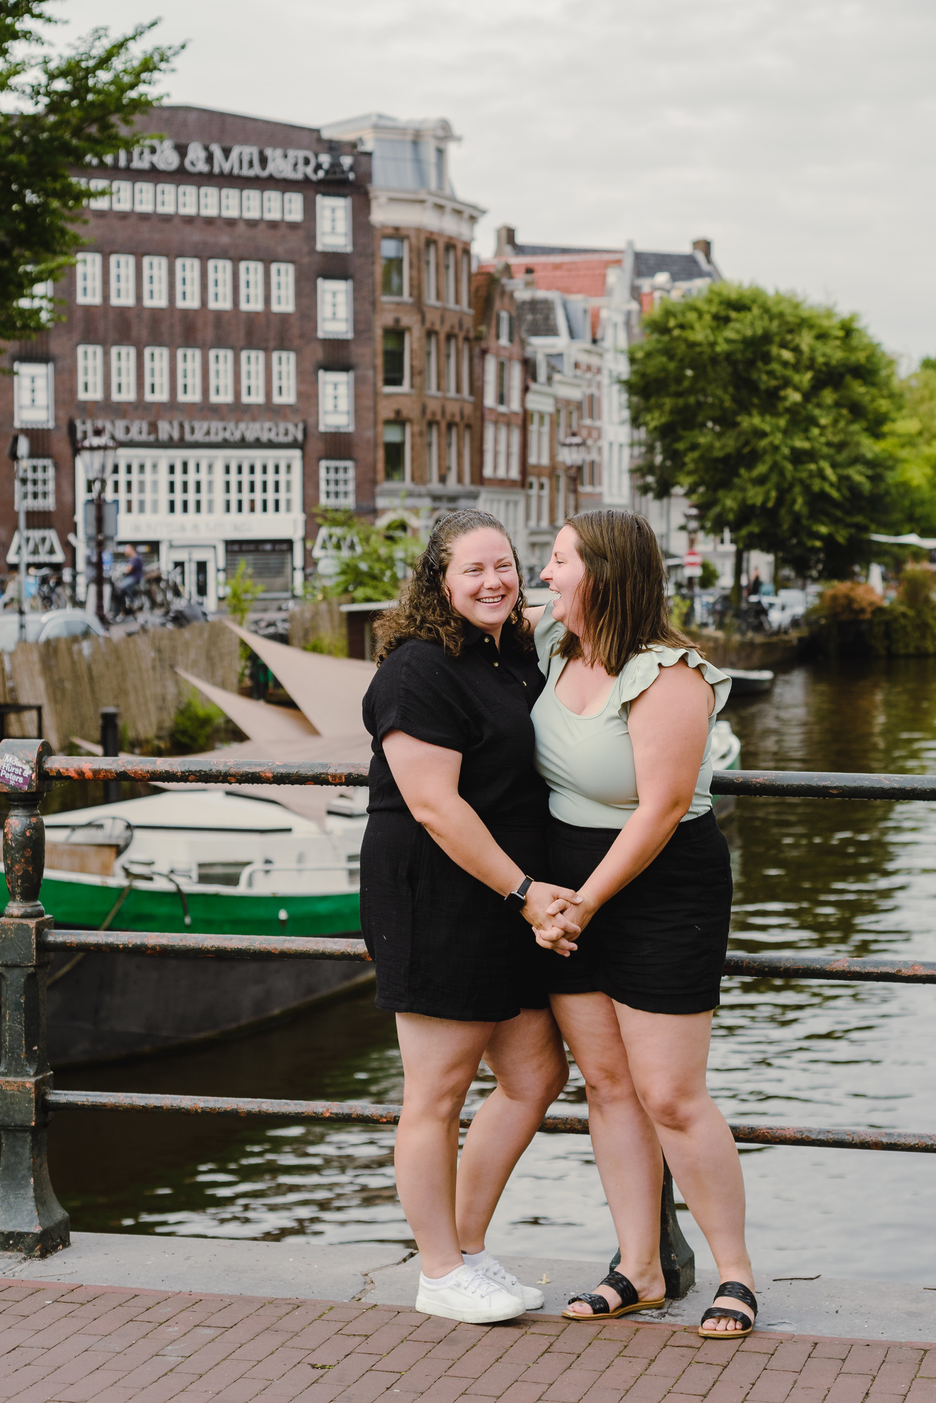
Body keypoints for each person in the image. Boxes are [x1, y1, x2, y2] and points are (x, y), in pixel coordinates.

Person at [529, 509, 758, 1338]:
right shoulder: (552, 647)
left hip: (659, 890)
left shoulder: (670, 675)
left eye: (558, 562)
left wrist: (584, 901)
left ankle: (735, 1271)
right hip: (566, 887)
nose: (544, 574)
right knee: (609, 1085)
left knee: (670, 1091)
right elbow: (466, 606)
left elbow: (661, 809)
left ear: (604, 574)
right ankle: (639, 1267)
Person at [360, 509, 574, 1326]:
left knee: (533, 1077)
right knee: (437, 1092)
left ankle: (468, 1250)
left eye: (505, 566)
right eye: (473, 570)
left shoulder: (512, 653)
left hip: (504, 897)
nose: (493, 582)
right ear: (438, 582)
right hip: (438, 897)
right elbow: (435, 808)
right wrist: (526, 894)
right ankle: (438, 1269)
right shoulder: (418, 671)